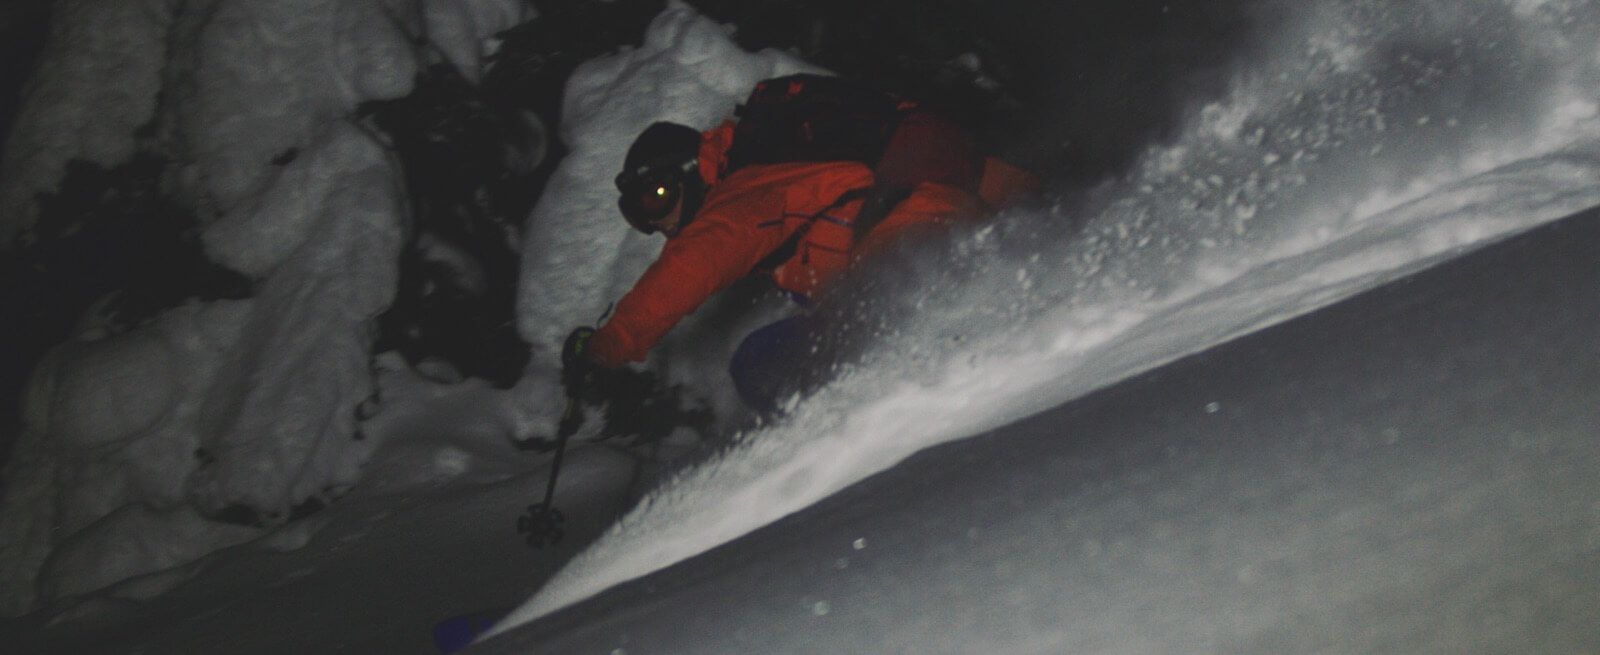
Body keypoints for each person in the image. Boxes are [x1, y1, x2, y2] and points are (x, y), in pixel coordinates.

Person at [563, 75, 1037, 415]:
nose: (659, 222)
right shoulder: (783, 182)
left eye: (658, 197)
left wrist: (608, 346)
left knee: (763, 364)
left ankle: (849, 447)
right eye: (641, 214)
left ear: (689, 170)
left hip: (912, 239)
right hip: (932, 234)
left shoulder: (743, 191)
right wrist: (1040, 205)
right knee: (801, 331)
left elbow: (694, 263)